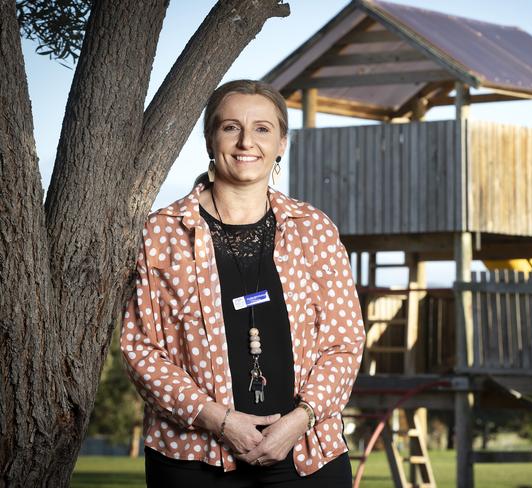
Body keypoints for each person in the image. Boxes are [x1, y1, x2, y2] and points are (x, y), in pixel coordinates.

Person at [120, 79, 366, 487]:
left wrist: (300, 420)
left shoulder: (314, 229)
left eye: (263, 129)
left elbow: (345, 341)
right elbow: (141, 350)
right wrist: (219, 420)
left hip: (306, 454)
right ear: (210, 139)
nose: (245, 142)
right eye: (231, 127)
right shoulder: (161, 232)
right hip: (193, 459)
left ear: (282, 143)